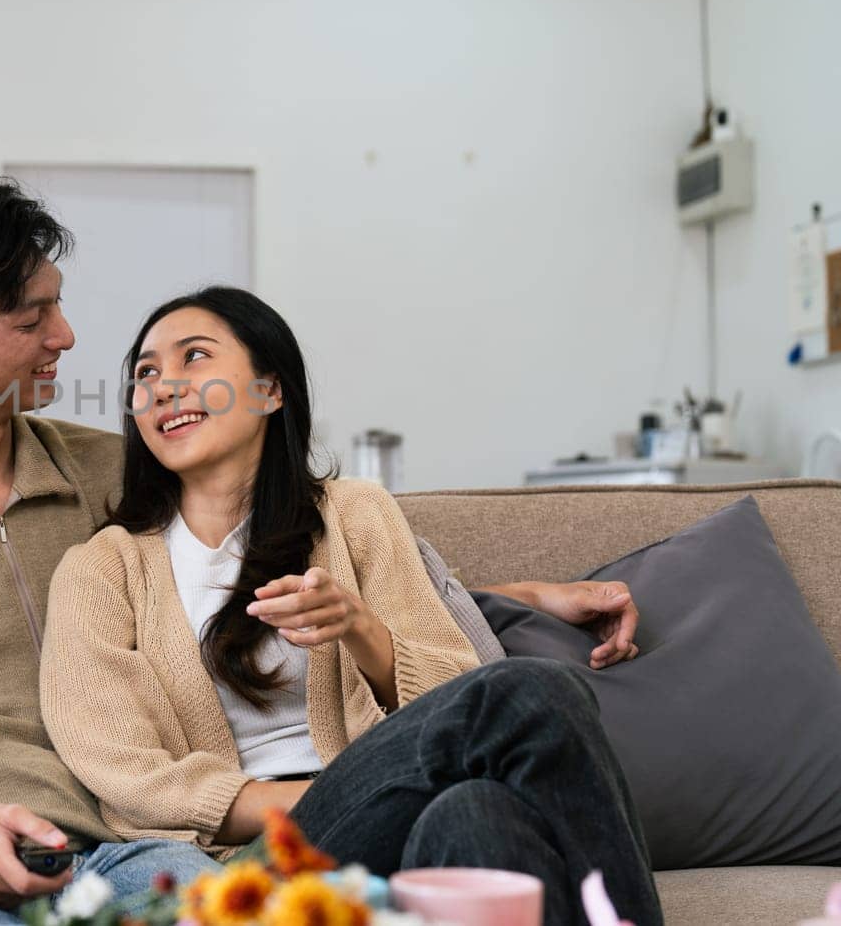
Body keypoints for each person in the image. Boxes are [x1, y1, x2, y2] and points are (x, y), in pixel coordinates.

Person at [0, 173, 644, 926]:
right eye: (31, 318)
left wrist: (519, 598)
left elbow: (253, 556)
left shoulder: (114, 476)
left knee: (461, 817)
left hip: (125, 851)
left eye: (60, 305)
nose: (68, 336)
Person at [39, 285, 663, 926]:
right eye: (145, 373)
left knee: (476, 814)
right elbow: (123, 774)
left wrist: (363, 632)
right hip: (250, 860)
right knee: (535, 693)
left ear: (270, 390)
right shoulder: (101, 568)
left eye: (194, 357)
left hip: (390, 818)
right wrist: (335, 793)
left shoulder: (357, 515)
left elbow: (453, 691)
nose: (163, 386)